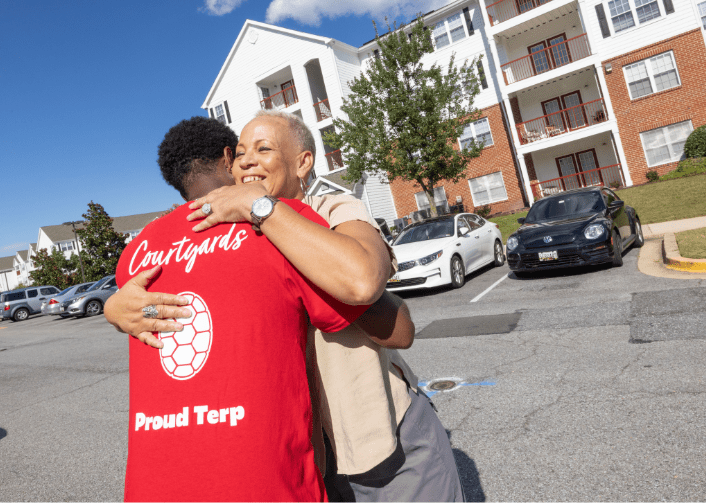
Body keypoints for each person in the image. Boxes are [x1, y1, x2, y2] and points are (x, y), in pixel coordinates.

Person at [107, 111, 463, 501]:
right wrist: (115, 308)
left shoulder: (331, 209)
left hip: (380, 435)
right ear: (229, 161)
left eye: (264, 149)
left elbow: (393, 322)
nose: (247, 161)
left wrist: (264, 211)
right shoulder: (228, 237)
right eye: (241, 152)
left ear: (303, 163)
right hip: (307, 454)